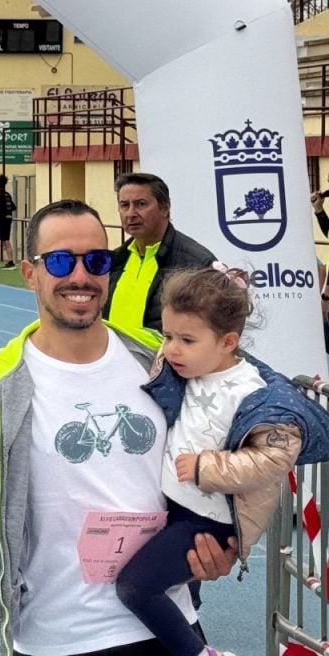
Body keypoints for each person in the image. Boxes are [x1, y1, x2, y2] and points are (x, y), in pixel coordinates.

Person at [0, 198, 239, 656]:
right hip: (59, 638)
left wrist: (219, 540)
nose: (80, 276)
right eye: (60, 261)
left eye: (96, 260)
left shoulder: (158, 360)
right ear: (30, 273)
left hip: (167, 623)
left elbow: (234, 427)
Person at [114, 266, 329, 656]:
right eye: (167, 335)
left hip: (207, 521)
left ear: (229, 341)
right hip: (174, 508)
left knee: (134, 586)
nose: (171, 348)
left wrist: (205, 468)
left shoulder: (256, 394)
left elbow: (273, 459)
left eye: (187, 339)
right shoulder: (191, 371)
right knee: (176, 595)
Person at [105, 172, 215, 335]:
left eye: (141, 204)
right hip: (116, 358)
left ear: (165, 208)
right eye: (124, 205)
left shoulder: (195, 264)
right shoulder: (115, 260)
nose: (131, 213)